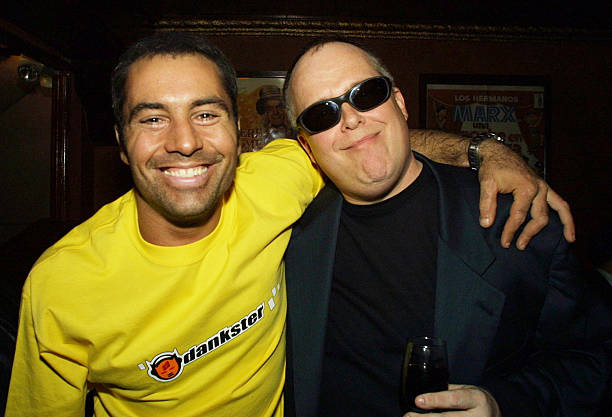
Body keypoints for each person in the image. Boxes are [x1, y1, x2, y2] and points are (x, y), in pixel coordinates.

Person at [5, 32, 575, 416]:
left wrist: (485, 150)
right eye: (152, 119)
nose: (184, 142)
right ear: (121, 142)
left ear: (236, 131)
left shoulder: (274, 180)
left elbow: (368, 139)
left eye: (205, 113)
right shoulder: (63, 285)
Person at [282, 39, 610, 417]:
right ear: (307, 147)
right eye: (322, 115)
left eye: (367, 94)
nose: (351, 119)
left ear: (400, 103)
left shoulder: (519, 220)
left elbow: (595, 360)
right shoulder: (287, 234)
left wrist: (502, 404)